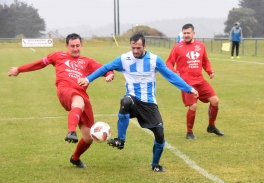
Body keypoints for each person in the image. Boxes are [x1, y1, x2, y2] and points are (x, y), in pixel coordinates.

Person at [78, 33, 198, 172]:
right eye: (133, 47)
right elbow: (105, 68)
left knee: (160, 136)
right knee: (125, 101)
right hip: (133, 99)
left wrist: (189, 89)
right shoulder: (124, 59)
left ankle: (155, 165)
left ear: (144, 46)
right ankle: (120, 140)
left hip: (149, 103)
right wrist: (88, 79)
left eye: (138, 48)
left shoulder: (154, 60)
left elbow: (170, 76)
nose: (135, 51)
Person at [7, 33, 114, 168]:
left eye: (77, 46)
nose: (75, 49)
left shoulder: (87, 61)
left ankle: (75, 158)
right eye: (72, 46)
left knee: (88, 136)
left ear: (81, 45)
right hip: (65, 90)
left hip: (82, 94)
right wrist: (19, 69)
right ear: (67, 46)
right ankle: (71, 131)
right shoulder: (58, 56)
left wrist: (109, 75)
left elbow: (105, 69)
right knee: (78, 102)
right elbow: (39, 64)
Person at [166, 23, 224, 140]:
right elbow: (169, 63)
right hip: (186, 82)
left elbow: (205, 61)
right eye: (184, 33)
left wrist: (210, 71)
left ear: (193, 33)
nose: (186, 35)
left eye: (188, 33)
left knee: (215, 101)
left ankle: (211, 126)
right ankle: (189, 132)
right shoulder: (178, 47)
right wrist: (174, 71)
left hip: (200, 80)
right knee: (193, 106)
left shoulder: (200, 45)